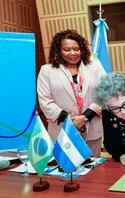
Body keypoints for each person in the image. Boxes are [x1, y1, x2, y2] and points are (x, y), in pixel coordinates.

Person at [37, 29, 104, 157]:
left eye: (76, 49)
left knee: (93, 170)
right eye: (67, 49)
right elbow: (45, 101)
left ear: (82, 50)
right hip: (62, 130)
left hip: (92, 129)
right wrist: (72, 121)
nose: (73, 53)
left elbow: (105, 94)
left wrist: (85, 117)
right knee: (66, 171)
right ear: (59, 51)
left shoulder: (94, 66)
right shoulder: (47, 71)